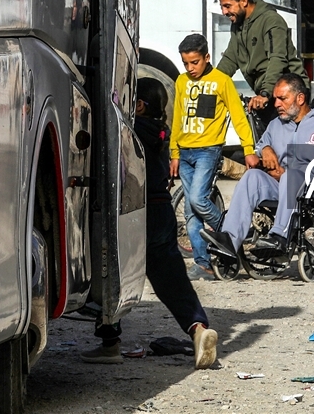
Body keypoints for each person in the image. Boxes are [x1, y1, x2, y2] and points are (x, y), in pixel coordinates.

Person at [82, 78, 219, 368]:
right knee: (172, 280)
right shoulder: (159, 131)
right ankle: (198, 329)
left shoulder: (129, 133)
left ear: (140, 105)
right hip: (163, 212)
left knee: (112, 275)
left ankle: (110, 343)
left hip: (135, 213)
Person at [201, 74, 314, 257]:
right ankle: (230, 238)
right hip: (280, 186)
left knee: (291, 177)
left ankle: (279, 236)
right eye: (275, 98)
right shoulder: (276, 124)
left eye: (282, 98)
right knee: (252, 177)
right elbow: (260, 146)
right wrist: (266, 149)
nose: (276, 104)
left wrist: (293, 171)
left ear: (300, 98)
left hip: (311, 189)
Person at [170, 34, 258, 280]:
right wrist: (174, 153)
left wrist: (248, 149)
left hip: (208, 151)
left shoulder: (222, 81)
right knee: (190, 212)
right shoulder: (181, 81)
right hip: (185, 152)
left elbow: (239, 117)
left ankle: (232, 233)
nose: (190, 68)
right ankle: (203, 263)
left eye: (195, 62)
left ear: (207, 57)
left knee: (198, 200)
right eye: (186, 63)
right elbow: (177, 117)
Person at [216, 0, 308, 125]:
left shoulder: (270, 20)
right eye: (222, 7)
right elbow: (230, 58)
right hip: (268, 94)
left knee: (287, 144)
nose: (224, 12)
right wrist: (211, 85)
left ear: (244, 1)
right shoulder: (237, 25)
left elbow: (277, 59)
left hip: (289, 95)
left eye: (227, 6)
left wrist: (265, 93)